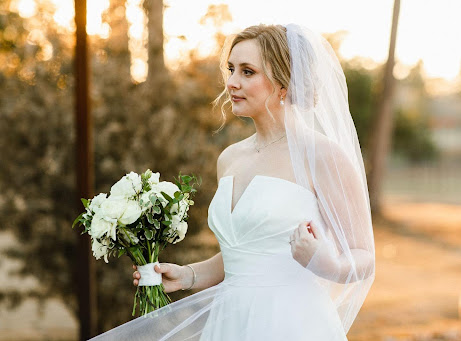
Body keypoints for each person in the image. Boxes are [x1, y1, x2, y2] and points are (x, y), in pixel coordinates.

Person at [92, 23, 375, 341]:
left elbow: (363, 254)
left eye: (247, 72)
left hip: (293, 321)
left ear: (284, 82)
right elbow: (242, 254)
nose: (232, 83)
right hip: (229, 322)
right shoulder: (229, 158)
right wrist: (187, 275)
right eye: (230, 69)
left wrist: (327, 264)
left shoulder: (322, 156)